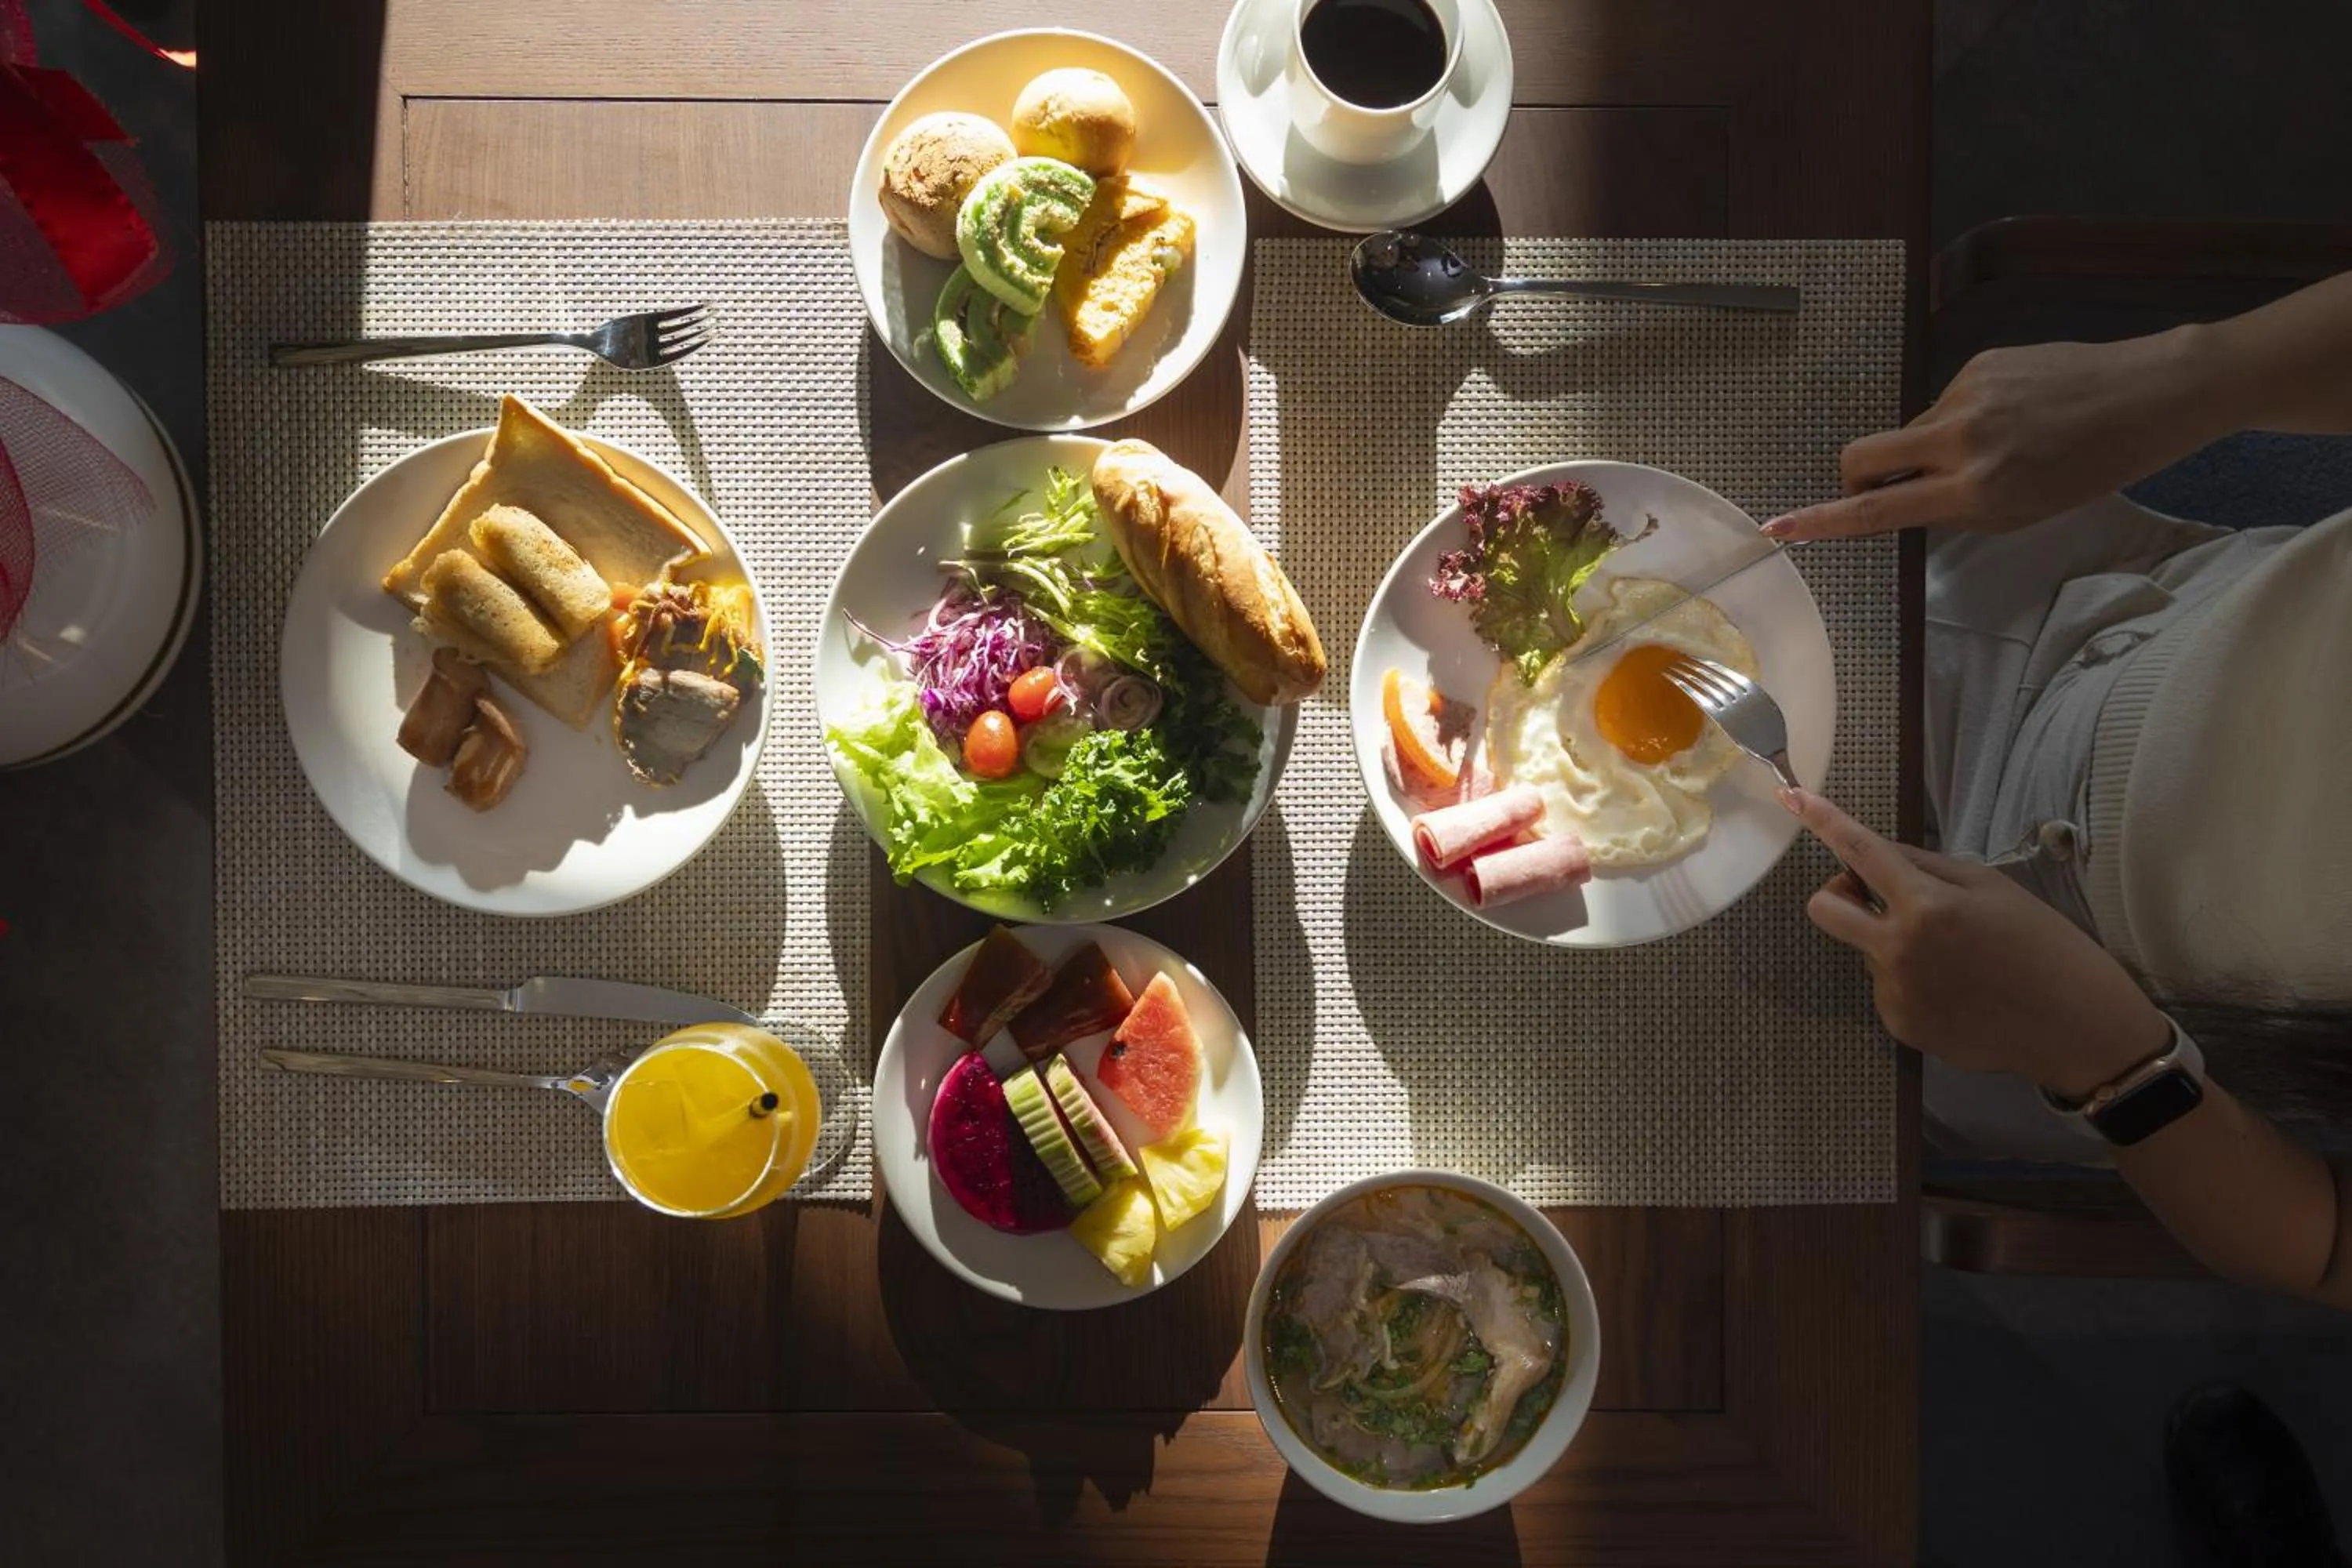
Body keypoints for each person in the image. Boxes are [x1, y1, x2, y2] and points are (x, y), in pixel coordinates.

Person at [1762, 270, 2352, 1307]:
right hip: (2103, 602)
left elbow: (2326, 1249)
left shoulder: (2091, 1038)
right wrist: (2192, 377)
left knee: (1705, 1089)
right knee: (1740, 449)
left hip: (2080, 1013)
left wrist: (2107, 1058)